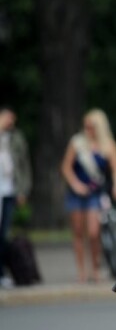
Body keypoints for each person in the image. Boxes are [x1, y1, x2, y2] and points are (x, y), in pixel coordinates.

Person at [61, 108, 116, 283]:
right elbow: (66, 167)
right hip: (77, 193)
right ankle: (81, 271)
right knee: (78, 232)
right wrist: (76, 185)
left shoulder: (108, 145)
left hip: (95, 193)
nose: (88, 130)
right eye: (86, 126)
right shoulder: (77, 143)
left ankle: (95, 267)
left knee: (93, 232)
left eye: (91, 126)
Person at [0, 106, 32, 288]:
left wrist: (22, 189)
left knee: (4, 234)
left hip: (9, 190)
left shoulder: (15, 137)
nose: (10, 123)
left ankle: (2, 272)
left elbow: (23, 164)